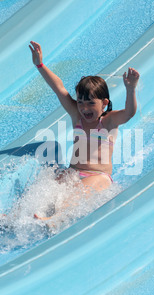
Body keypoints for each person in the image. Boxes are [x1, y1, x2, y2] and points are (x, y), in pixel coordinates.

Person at [29, 41, 140, 220]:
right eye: (80, 102)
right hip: (72, 172)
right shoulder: (77, 116)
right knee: (45, 189)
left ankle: (54, 221)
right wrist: (40, 65)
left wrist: (130, 89)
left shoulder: (109, 121)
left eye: (90, 103)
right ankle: (17, 216)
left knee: (73, 198)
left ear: (104, 103)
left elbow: (129, 113)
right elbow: (59, 89)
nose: (84, 108)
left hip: (98, 176)